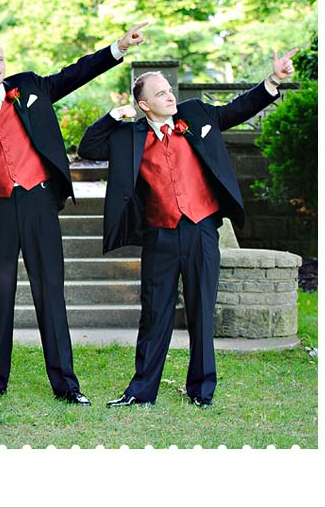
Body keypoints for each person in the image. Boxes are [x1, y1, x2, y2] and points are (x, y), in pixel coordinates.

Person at [78, 49, 298, 408]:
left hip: (201, 230)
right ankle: (141, 392)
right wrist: (114, 115)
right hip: (159, 235)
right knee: (154, 314)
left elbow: (237, 110)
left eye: (169, 90)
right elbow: (88, 147)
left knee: (201, 310)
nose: (170, 96)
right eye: (161, 93)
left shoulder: (196, 114)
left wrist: (273, 80)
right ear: (144, 105)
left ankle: (201, 390)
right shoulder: (129, 136)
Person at [0, 23, 147, 405]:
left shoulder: (29, 87)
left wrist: (118, 47)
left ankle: (67, 384)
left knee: (50, 292)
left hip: (38, 201)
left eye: (1, 59)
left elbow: (75, 73)